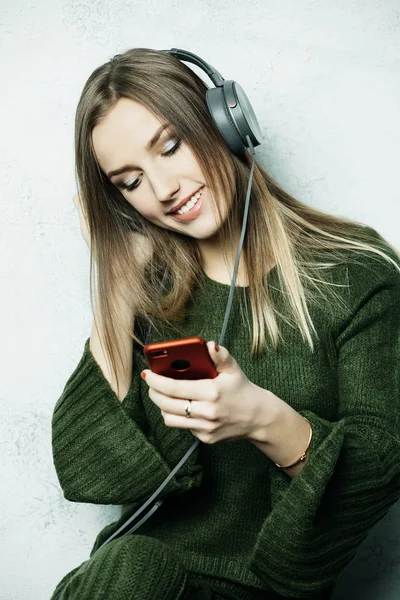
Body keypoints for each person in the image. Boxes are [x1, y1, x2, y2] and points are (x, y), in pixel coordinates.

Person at [50, 47, 400, 600]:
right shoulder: (151, 294)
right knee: (135, 564)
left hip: (268, 587)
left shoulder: (357, 272)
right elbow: (87, 469)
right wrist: (117, 289)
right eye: (130, 181)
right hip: (134, 583)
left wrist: (265, 420)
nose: (163, 188)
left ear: (225, 123)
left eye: (170, 146)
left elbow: (382, 464)